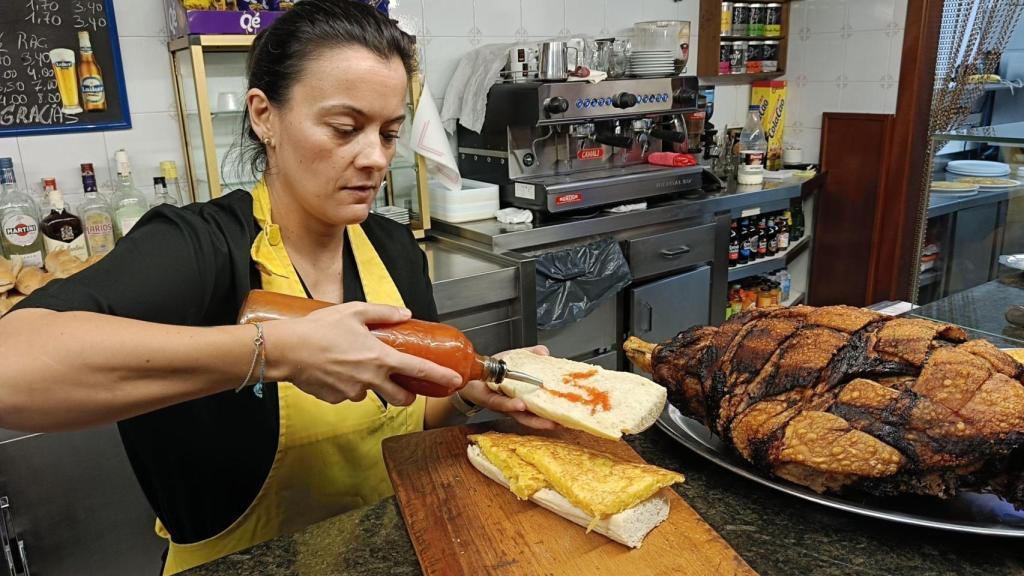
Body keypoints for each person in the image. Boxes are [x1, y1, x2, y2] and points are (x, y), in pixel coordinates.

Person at [0, 1, 554, 573]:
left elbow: (410, 414)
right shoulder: (196, 248)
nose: (375, 158)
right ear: (265, 115)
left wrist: (464, 392)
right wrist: (275, 351)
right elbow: (10, 368)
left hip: (385, 551)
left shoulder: (392, 251)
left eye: (389, 134)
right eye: (345, 128)